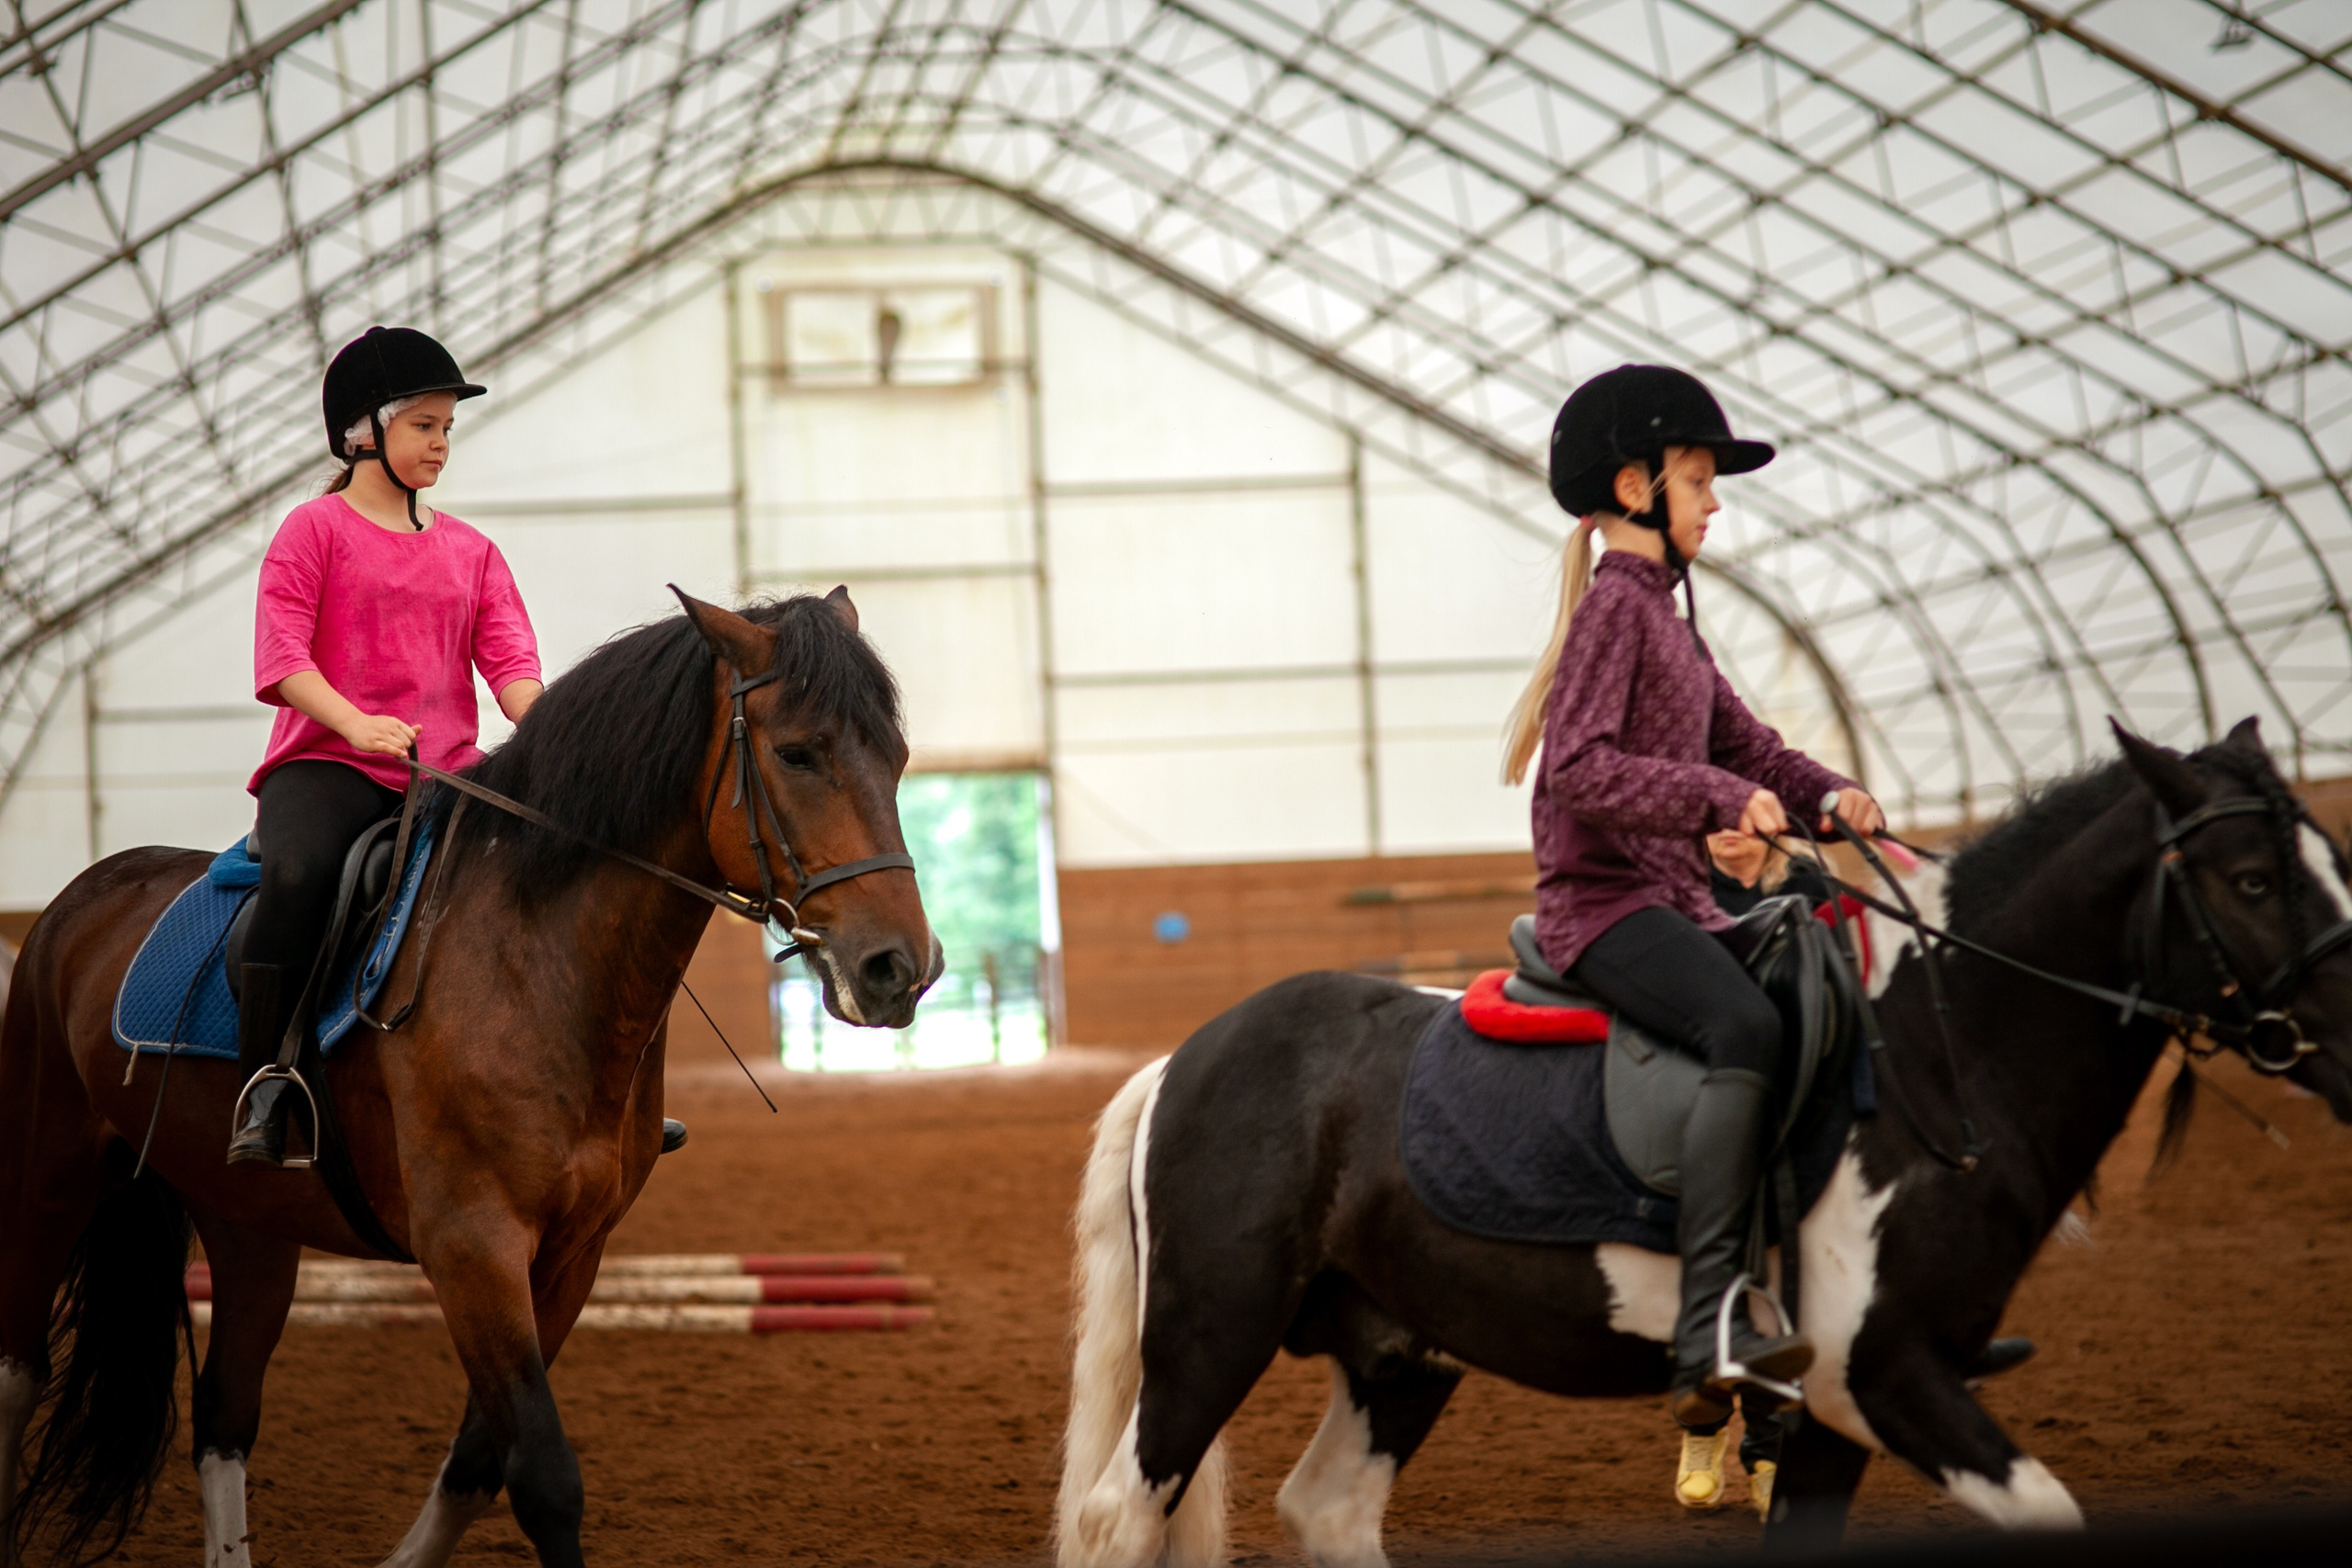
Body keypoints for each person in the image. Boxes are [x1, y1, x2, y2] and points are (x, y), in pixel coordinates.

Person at [1502, 364, 1885, 1431]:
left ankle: (1813, 1300)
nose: (1714, 503)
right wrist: (1723, 794)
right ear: (1636, 489)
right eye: (1698, 481)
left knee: (1822, 995)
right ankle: (1707, 1323)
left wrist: (1828, 795)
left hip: (1680, 900)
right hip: (1605, 904)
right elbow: (1576, 767)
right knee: (1740, 1026)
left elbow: (1748, 745)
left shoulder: (1671, 624)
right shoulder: (1612, 618)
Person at [227, 326, 541, 1167]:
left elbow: (509, 661)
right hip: (326, 763)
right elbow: (282, 656)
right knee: (297, 877)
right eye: (425, 426)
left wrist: (543, 724)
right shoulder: (312, 530)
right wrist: (354, 722)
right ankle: (266, 1084)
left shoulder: (473, 551)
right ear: (365, 430)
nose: (442, 444)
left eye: (447, 429)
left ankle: (567, 1082)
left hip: (446, 775)